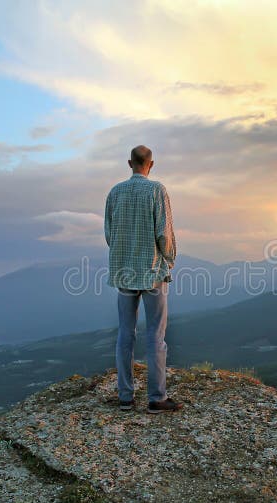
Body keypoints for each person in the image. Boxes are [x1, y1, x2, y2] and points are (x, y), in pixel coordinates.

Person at [104, 145, 183, 414]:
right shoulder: (157, 190)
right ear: (151, 164)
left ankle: (125, 397)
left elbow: (109, 233)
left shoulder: (115, 192)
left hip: (123, 272)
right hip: (152, 273)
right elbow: (165, 233)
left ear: (130, 163)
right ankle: (156, 398)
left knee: (125, 334)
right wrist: (168, 260)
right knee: (155, 336)